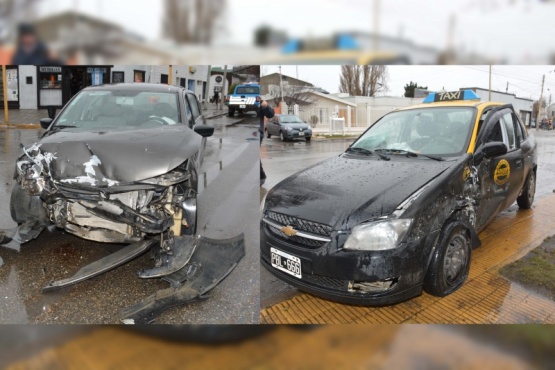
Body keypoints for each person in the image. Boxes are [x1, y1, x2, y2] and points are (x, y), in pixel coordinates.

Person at [258, 100, 274, 186]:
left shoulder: (259, 102)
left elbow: (270, 114)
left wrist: (266, 106)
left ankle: (261, 177)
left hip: (256, 134)